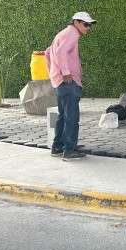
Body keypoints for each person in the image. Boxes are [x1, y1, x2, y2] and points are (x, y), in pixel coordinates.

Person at [45, 11, 96, 161]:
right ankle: (69, 150)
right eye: (85, 24)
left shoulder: (63, 33)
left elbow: (48, 53)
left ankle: (57, 147)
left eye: (90, 25)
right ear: (76, 22)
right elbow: (60, 52)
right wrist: (66, 73)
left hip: (60, 82)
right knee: (72, 117)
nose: (88, 28)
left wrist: (53, 74)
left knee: (63, 116)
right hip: (68, 82)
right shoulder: (73, 34)